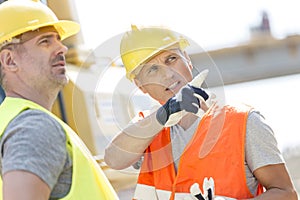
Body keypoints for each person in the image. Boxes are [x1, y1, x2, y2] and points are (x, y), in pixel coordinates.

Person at [104, 25, 298, 199]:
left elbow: (286, 194)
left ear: (187, 60)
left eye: (171, 59)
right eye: (152, 69)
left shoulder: (243, 122)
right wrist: (165, 112)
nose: (168, 74)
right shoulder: (147, 129)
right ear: (140, 85)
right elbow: (113, 158)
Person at [0, 0, 118, 199]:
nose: (62, 48)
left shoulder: (12, 120)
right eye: (45, 41)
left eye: (58, 39)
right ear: (10, 61)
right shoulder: (34, 127)